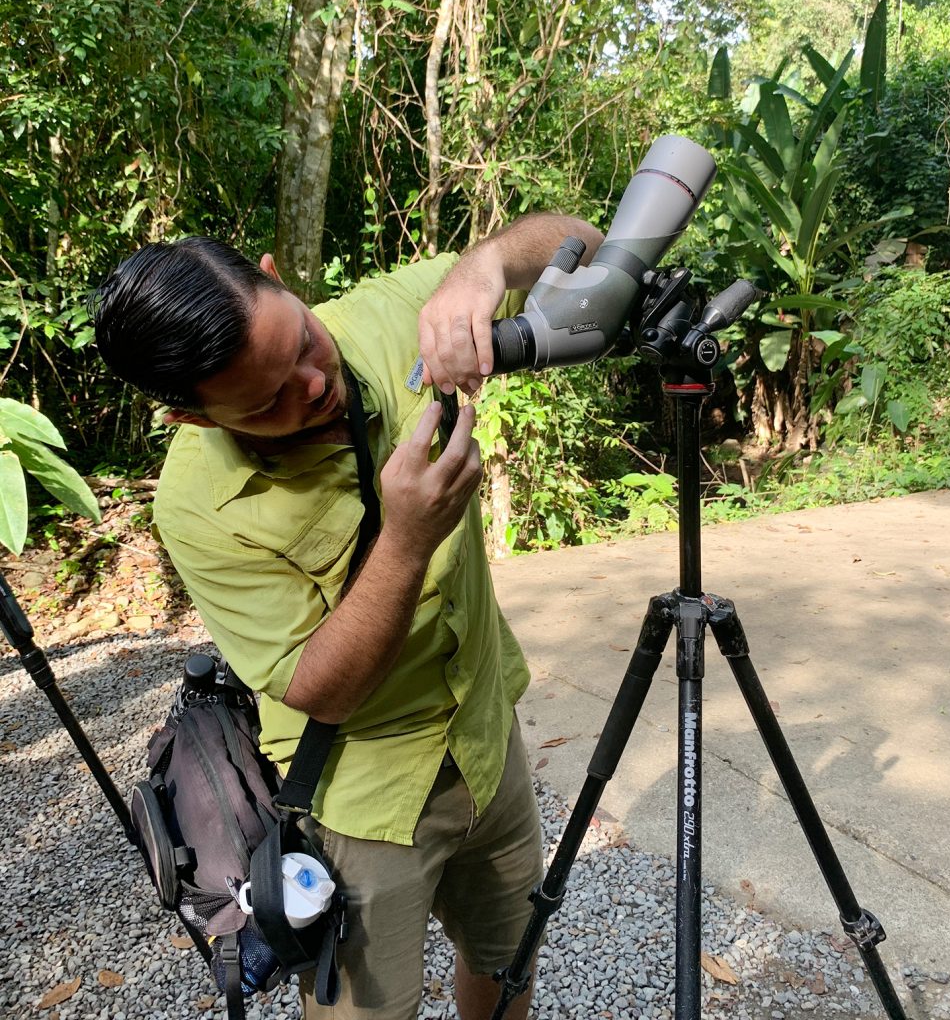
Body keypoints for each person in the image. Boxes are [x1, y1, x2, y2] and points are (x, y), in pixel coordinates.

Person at [94, 213, 603, 1020]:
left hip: (485, 742)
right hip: (362, 802)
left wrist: (485, 265)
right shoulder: (197, 508)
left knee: (507, 967)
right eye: (265, 405)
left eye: (301, 342)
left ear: (279, 276)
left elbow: (582, 243)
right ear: (194, 419)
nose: (312, 387)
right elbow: (319, 691)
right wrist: (405, 541)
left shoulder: (388, 313)